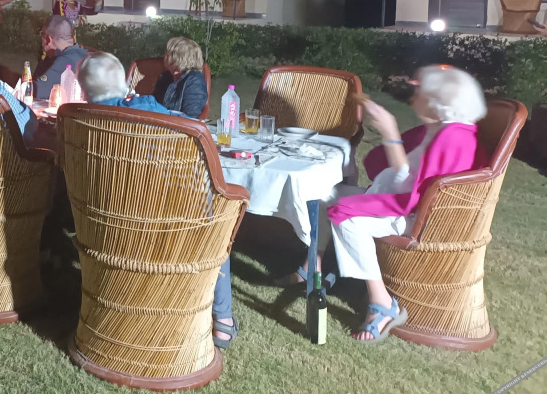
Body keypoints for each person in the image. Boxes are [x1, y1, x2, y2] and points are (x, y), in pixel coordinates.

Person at [286, 65, 488, 343]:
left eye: (421, 91)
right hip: (404, 202)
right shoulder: (442, 129)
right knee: (322, 196)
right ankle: (314, 267)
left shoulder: (453, 137)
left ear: (438, 101)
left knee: (349, 220)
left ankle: (382, 303)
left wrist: (390, 133)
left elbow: (412, 192)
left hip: (416, 216)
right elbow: (408, 176)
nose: (414, 96)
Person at [76, 51, 238, 349]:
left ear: (84, 90)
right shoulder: (153, 114)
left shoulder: (80, 120)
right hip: (164, 219)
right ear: (124, 83)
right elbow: (198, 139)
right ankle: (223, 321)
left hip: (111, 219)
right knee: (215, 221)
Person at [33, 16, 90, 99]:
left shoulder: (65, 61)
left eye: (42, 35)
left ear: (48, 40)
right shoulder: (82, 54)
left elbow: (35, 90)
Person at [151, 37, 209, 118]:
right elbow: (153, 104)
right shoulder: (165, 77)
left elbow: (191, 116)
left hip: (177, 125)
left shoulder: (195, 80)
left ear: (178, 57)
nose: (165, 55)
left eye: (168, 53)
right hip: (158, 122)